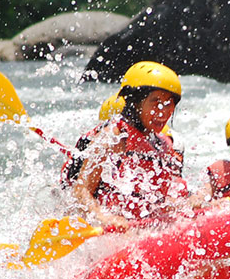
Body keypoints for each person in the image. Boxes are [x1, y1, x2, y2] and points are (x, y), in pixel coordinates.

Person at [69, 61, 188, 230]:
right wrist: (103, 217)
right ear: (135, 102)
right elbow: (81, 190)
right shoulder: (113, 138)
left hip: (139, 229)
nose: (164, 110)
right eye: (156, 101)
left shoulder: (164, 145)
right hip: (108, 229)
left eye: (170, 103)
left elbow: (167, 198)